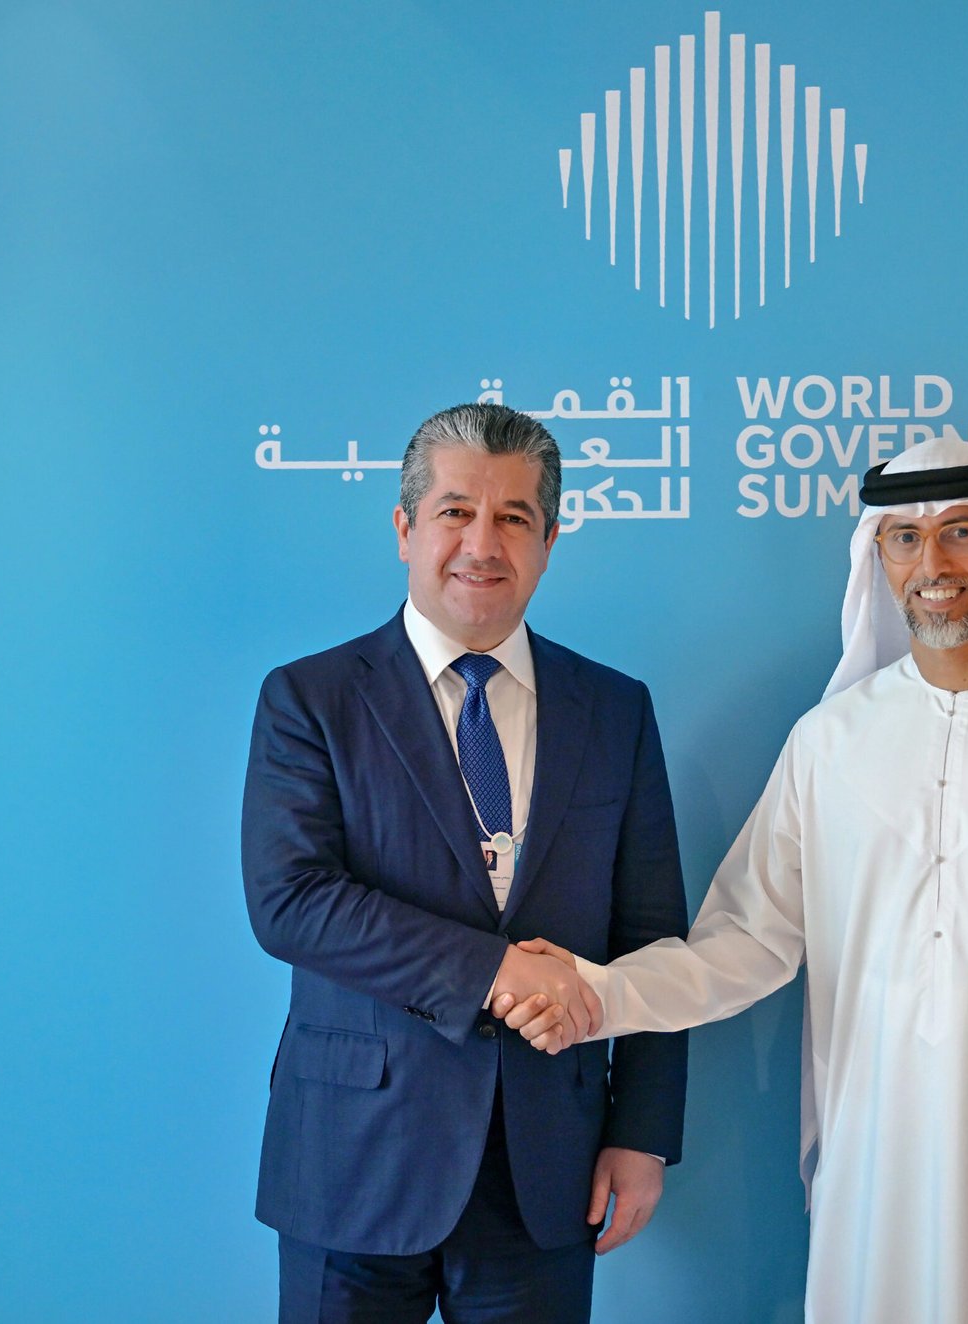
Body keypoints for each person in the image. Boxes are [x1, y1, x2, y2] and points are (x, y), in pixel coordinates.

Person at [502, 437, 968, 1324]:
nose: (933, 563)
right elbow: (743, 944)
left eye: (961, 532)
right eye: (905, 538)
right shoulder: (830, 742)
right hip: (879, 1183)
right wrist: (596, 992)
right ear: (879, 558)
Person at [241, 403, 689, 1323]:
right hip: (355, 1157)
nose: (482, 544)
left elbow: (653, 936)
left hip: (546, 1165)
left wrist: (641, 1133)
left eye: (514, 518)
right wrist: (494, 970)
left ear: (549, 542)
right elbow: (291, 900)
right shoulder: (311, 699)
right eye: (455, 512)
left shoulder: (616, 710)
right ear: (405, 528)